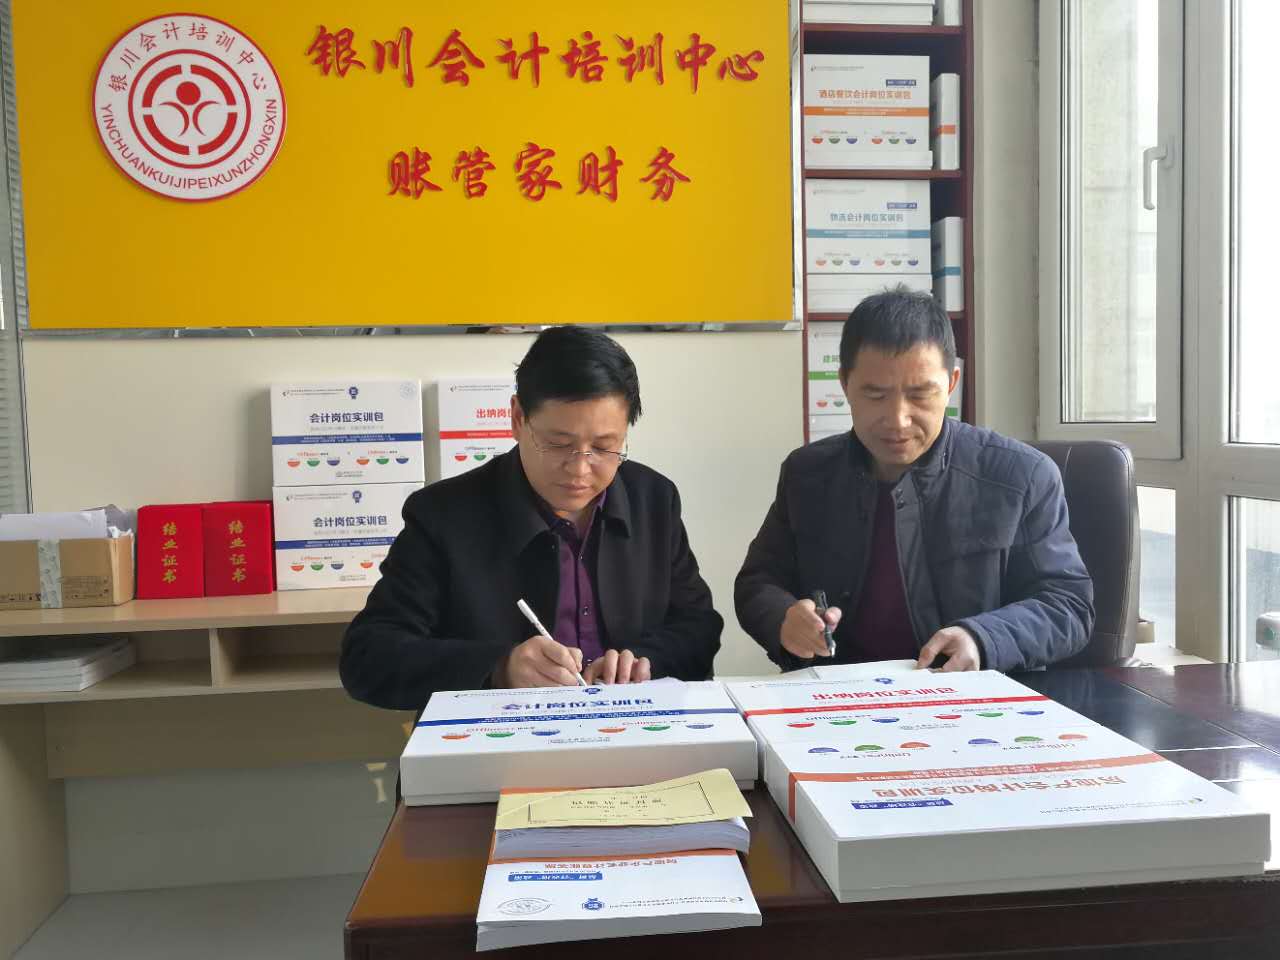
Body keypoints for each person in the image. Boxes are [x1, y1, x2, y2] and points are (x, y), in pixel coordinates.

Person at [341, 325, 722, 711]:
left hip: (632, 730)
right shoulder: (443, 516)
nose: (580, 469)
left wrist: (643, 661)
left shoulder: (653, 500)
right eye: (558, 444)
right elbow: (368, 657)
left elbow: (699, 627)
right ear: (518, 418)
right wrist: (499, 668)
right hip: (496, 737)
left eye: (604, 447)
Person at [735, 287, 1094, 673]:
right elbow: (758, 581)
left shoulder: (1022, 476)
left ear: (951, 383)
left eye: (920, 395)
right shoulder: (807, 474)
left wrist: (983, 638)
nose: (898, 419)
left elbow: (1067, 605)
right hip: (838, 694)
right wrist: (784, 617)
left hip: (967, 694)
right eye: (875, 395)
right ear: (844, 384)